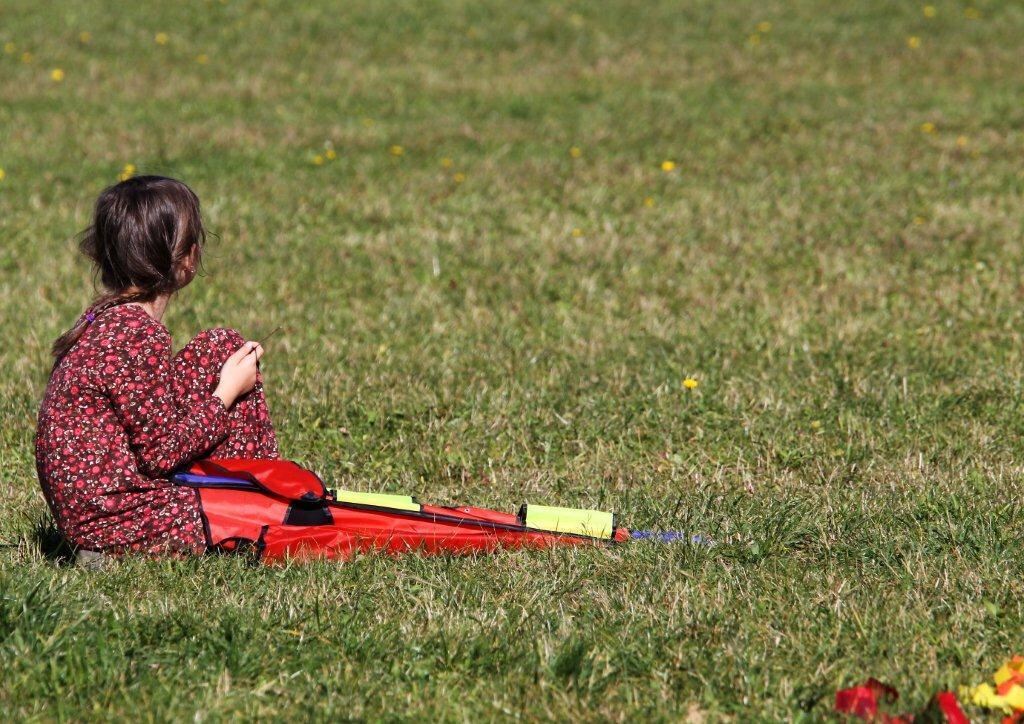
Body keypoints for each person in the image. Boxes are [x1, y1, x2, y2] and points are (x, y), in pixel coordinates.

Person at [36, 176, 278, 555]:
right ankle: (266, 505)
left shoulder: (105, 320)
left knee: (223, 348)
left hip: (94, 509)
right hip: (115, 519)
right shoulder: (137, 336)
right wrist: (226, 393)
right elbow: (161, 453)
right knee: (239, 516)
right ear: (187, 258)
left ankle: (256, 488)